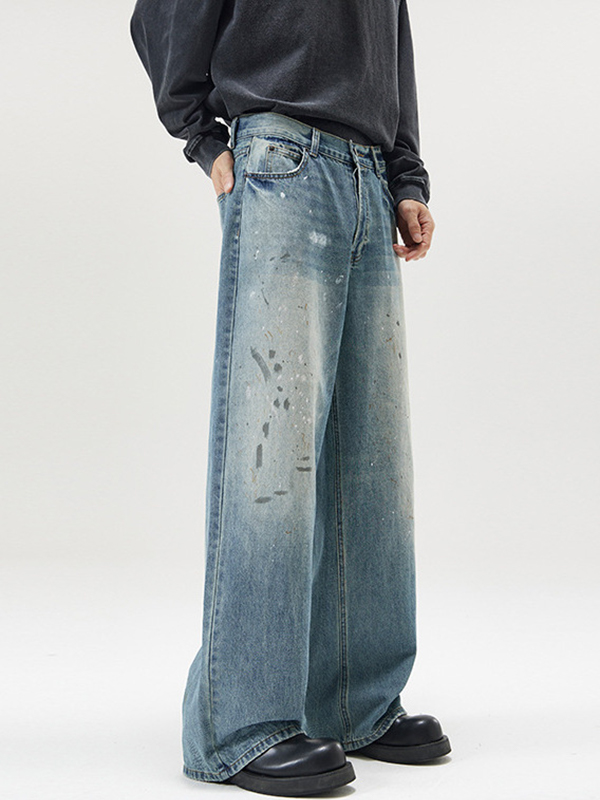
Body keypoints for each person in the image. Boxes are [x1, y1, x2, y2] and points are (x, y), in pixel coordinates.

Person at [130, 0, 451, 795]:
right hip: (283, 159)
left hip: (369, 174)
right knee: (270, 460)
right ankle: (238, 724)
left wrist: (405, 173)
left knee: (371, 461)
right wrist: (202, 137)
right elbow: (159, 15)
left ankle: (354, 701)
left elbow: (390, 39)